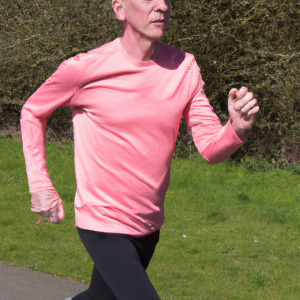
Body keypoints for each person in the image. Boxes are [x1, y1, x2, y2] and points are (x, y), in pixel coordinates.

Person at [20, 0, 259, 299]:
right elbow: (32, 111)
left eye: (166, 0)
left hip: (148, 224)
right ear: (119, 9)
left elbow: (211, 149)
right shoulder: (84, 68)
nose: (161, 6)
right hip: (102, 222)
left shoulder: (184, 67)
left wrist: (237, 129)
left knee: (101, 297)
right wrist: (39, 182)